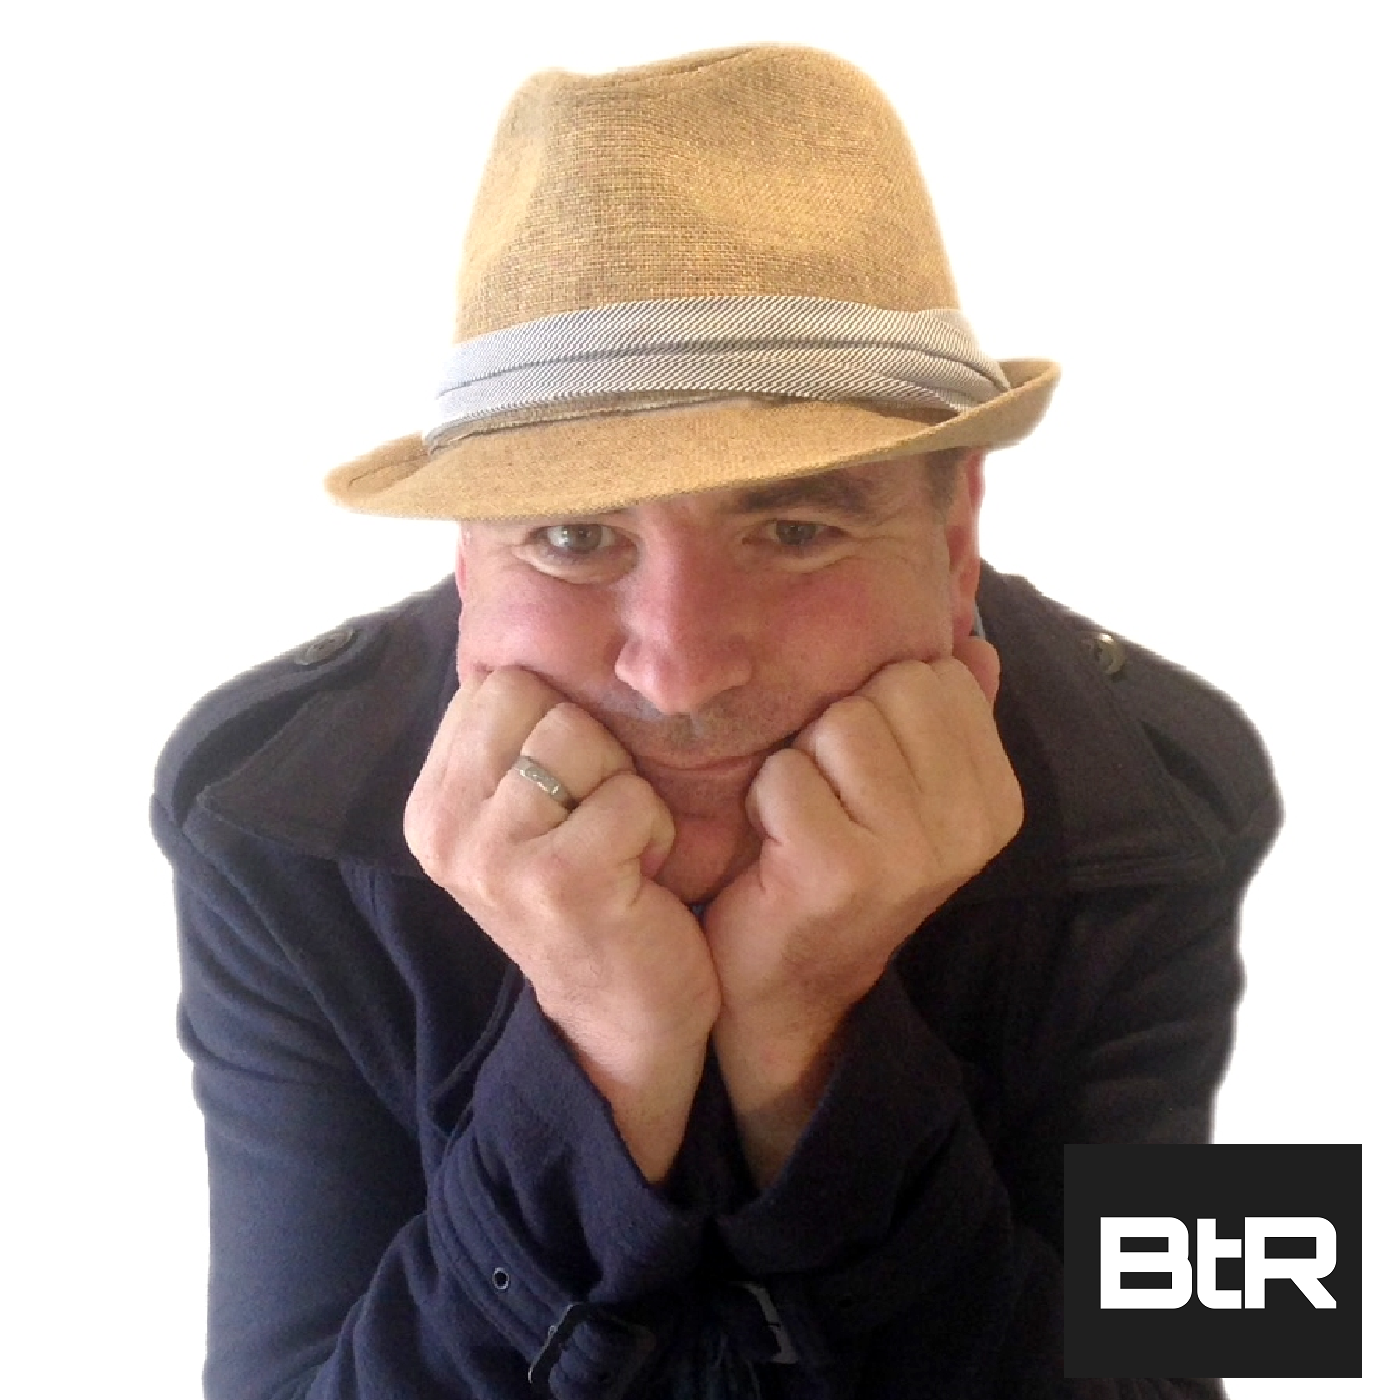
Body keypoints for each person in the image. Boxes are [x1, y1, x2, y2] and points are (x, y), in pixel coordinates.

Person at [152, 44, 1280, 1399]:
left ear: (955, 536)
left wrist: (812, 1056)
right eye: (572, 536)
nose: (681, 672)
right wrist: (596, 1055)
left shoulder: (1169, 807)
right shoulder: (269, 823)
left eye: (797, 528)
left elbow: (1190, 1360)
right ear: (466, 558)